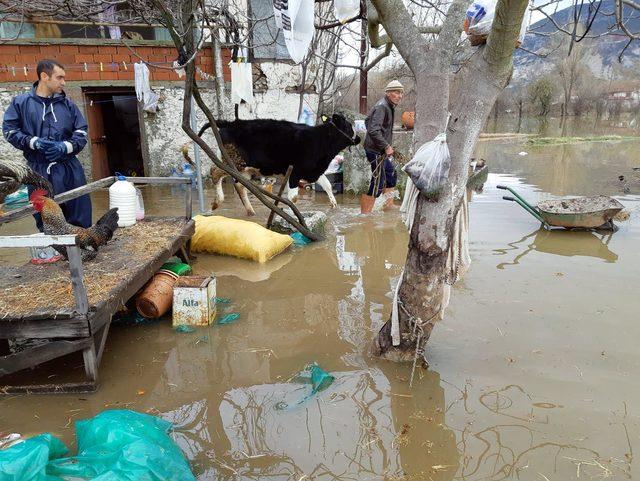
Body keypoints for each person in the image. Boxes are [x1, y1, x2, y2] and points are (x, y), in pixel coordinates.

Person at [2, 59, 92, 232]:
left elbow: (81, 133)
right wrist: (34, 142)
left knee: (79, 213)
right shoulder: (20, 103)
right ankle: (56, 252)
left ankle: (83, 252)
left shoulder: (69, 106)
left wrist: (65, 147)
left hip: (69, 169)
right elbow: (10, 131)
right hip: (38, 171)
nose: (64, 82)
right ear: (44, 76)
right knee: (46, 218)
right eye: (59, 78)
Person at [361, 80, 404, 214]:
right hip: (375, 151)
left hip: (379, 149)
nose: (400, 95)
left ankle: (388, 205)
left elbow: (367, 121)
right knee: (378, 183)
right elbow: (373, 130)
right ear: (389, 93)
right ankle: (365, 216)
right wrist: (385, 145)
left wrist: (385, 144)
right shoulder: (382, 106)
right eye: (397, 92)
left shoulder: (388, 106)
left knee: (391, 175)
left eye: (401, 93)